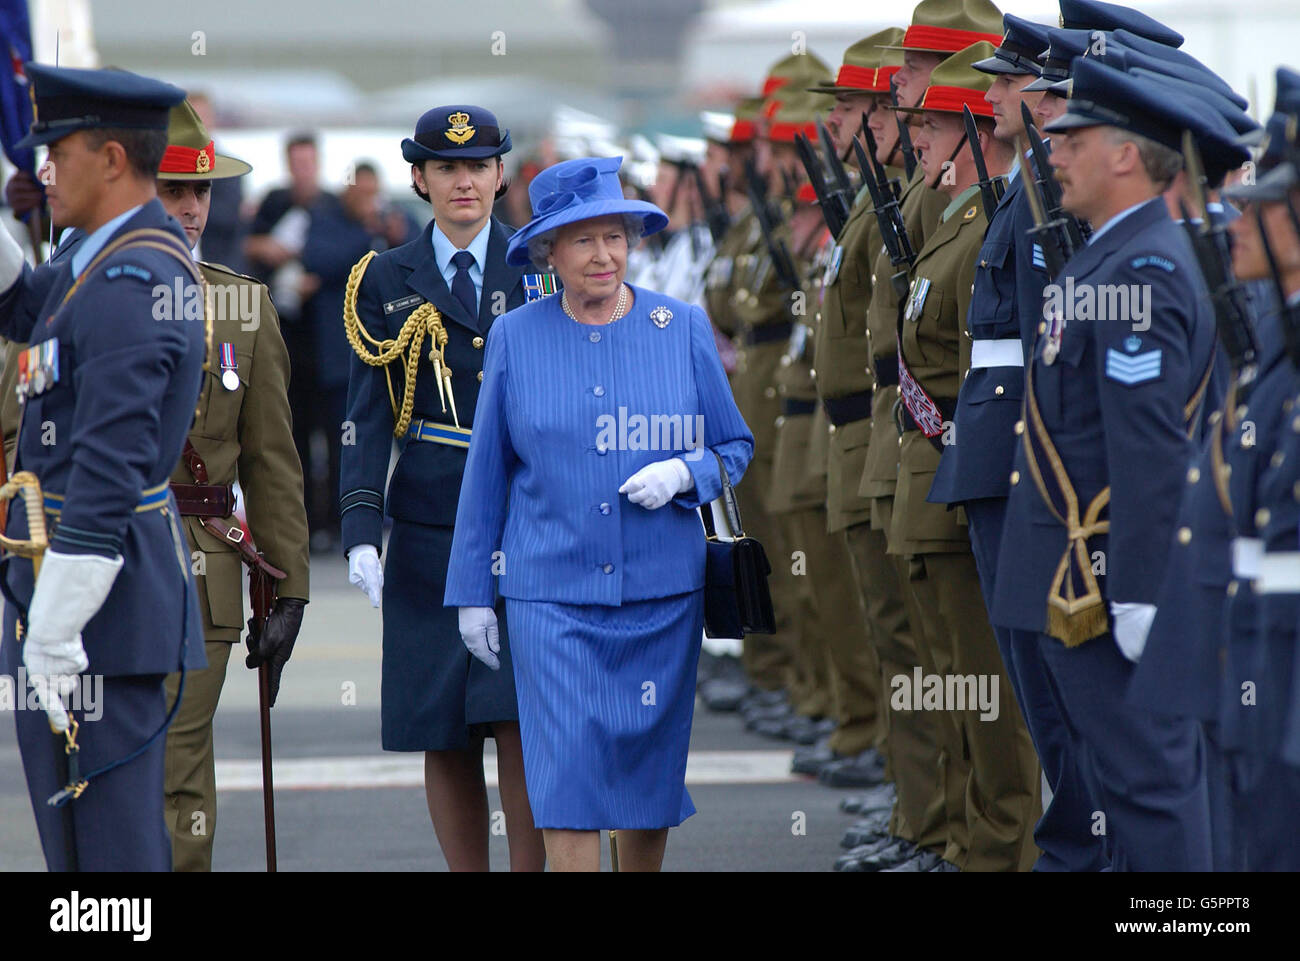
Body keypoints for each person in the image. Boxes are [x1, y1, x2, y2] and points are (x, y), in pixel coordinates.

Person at [444, 155, 753, 872]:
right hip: (549, 597)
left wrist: (686, 471)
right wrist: (470, 595)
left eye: (614, 235)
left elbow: (734, 445)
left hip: (662, 595)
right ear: (550, 252)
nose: (603, 254)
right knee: (567, 782)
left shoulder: (681, 325)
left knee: (647, 784)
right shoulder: (517, 336)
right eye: (583, 239)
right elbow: (486, 474)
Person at [991, 55, 1218, 871]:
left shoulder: (1144, 269)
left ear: (1126, 155)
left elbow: (1150, 444)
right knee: (1122, 796)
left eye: (1073, 137)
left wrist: (1140, 592)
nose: (1052, 147)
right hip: (1073, 577)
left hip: (1100, 582)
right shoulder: (1107, 257)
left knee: (1150, 794)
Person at [0, 63, 206, 871]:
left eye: (60, 150)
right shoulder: (106, 262)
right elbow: (24, 305)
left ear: (112, 158)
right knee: (79, 856)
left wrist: (54, 626)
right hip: (72, 601)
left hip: (94, 614)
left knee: (113, 858)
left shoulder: (131, 276)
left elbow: (111, 463)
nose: (44, 170)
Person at [339, 105, 546, 871]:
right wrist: (361, 528)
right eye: (447, 168)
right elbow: (362, 416)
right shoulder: (386, 278)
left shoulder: (538, 271)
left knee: (519, 718)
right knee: (442, 725)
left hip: (524, 525)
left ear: (500, 174)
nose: (465, 180)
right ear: (419, 178)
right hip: (428, 530)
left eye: (479, 165)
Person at [929, 13, 1105, 874]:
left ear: (1048, 95)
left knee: (1055, 681)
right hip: (1001, 451)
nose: (990, 93)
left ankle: (1081, 850)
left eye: (1006, 81)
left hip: (1023, 458)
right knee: (1036, 680)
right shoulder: (1029, 182)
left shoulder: (1047, 191)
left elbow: (1052, 345)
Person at [156, 99, 311, 871]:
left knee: (179, 770)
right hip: (99, 560)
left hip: (204, 568)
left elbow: (272, 459)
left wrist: (292, 591)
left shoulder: (243, 306)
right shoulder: (76, 294)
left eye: (201, 192)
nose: (189, 209)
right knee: (99, 772)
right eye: (171, 190)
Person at [245, 133, 341, 553]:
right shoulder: (274, 202)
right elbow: (247, 244)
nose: (303, 170)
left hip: (325, 344)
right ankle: (299, 520)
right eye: (296, 163)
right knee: (293, 435)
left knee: (334, 437)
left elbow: (352, 253)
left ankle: (333, 523)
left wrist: (315, 277)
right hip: (285, 337)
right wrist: (270, 249)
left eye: (308, 163)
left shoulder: (332, 206)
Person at [300, 162, 388, 553]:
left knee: (356, 442)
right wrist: (368, 237)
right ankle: (319, 522)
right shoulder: (330, 222)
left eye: (373, 194)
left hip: (371, 351)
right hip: (326, 357)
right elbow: (318, 259)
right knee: (319, 444)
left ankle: (351, 519)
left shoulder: (388, 227)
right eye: (362, 193)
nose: (368, 202)